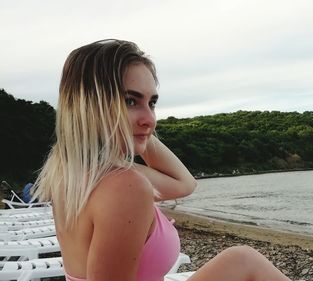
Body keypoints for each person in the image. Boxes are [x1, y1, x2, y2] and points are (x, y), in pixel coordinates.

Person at [33, 39, 291, 281]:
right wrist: (137, 129)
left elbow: (185, 184)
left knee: (242, 259)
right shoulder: (123, 187)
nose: (151, 118)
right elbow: (183, 184)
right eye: (130, 100)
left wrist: (139, 130)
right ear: (91, 105)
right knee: (244, 261)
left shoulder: (74, 172)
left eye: (152, 103)